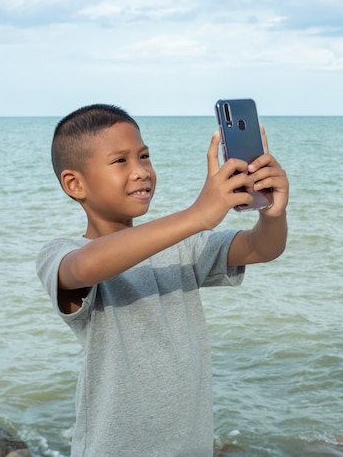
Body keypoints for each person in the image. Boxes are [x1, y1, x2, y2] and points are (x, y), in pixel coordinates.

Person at [36, 104, 288, 457]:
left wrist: (273, 213)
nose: (141, 171)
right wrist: (196, 215)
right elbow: (82, 268)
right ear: (75, 183)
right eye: (120, 161)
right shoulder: (60, 253)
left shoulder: (182, 245)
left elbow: (261, 248)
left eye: (144, 156)